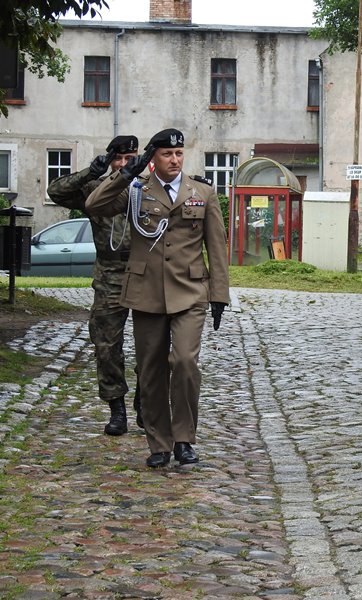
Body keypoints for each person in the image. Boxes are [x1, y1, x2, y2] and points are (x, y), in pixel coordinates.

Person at [86, 128, 230, 468]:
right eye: (167, 154)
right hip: (147, 291)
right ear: (154, 157)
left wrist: (219, 295)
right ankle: (159, 444)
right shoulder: (136, 190)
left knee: (184, 362)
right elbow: (94, 204)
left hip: (190, 291)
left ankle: (184, 439)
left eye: (179, 154)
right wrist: (126, 173)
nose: (175, 160)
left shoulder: (202, 192)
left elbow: (217, 246)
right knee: (150, 370)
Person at [47, 135, 142, 436]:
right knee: (106, 345)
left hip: (146, 274)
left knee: (152, 345)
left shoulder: (149, 188)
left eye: (130, 159)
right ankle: (117, 409)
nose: (123, 164)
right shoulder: (95, 188)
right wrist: (91, 171)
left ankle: (145, 400)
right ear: (110, 160)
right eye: (118, 159)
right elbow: (56, 192)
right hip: (109, 275)